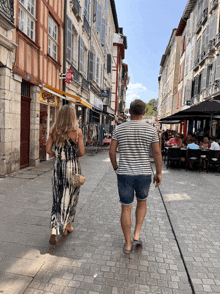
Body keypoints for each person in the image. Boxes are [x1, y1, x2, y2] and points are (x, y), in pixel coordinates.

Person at [109, 99, 162, 254]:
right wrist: (158, 173)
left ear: (129, 111)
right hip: (144, 173)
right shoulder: (151, 130)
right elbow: (157, 153)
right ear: (144, 113)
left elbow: (112, 151)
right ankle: (136, 234)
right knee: (142, 203)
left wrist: (116, 168)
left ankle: (127, 243)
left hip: (124, 173)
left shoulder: (119, 129)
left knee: (126, 208)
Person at [46, 105, 85, 245]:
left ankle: (55, 229)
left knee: (58, 196)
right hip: (72, 166)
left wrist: (57, 154)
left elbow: (47, 149)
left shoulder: (54, 130)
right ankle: (66, 225)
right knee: (71, 195)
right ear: (72, 116)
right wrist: (72, 155)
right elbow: (81, 151)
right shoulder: (77, 131)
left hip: (58, 166)